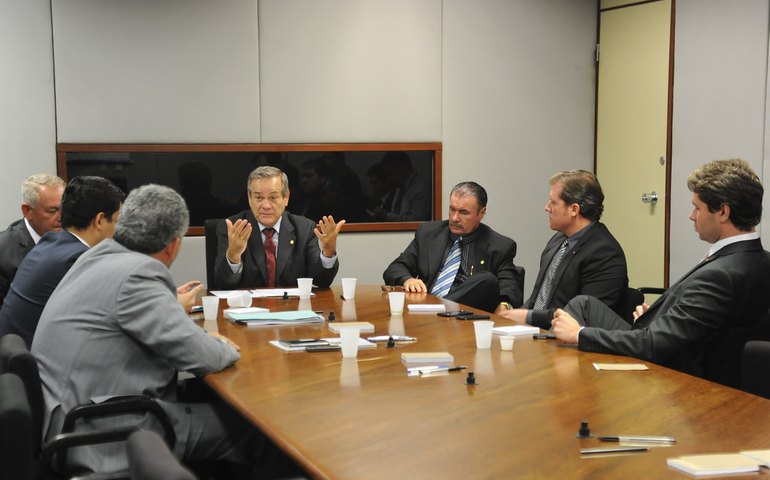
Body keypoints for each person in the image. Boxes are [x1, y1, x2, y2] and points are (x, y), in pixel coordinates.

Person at [33, 185, 291, 476]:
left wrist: (200, 340)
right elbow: (205, 357)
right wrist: (222, 346)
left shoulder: (99, 254)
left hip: (70, 416)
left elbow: (170, 335)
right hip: (101, 433)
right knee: (268, 430)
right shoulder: (138, 273)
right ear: (173, 245)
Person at [550, 159, 770, 386]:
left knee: (572, 328)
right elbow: (702, 323)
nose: (692, 216)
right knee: (583, 304)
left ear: (723, 212)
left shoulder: (721, 275)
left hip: (675, 378)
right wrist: (660, 316)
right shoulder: (759, 261)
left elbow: (655, 345)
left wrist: (580, 334)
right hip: (688, 354)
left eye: (697, 207)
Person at [0, 176, 124, 348]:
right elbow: (113, 314)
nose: (117, 230)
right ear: (100, 220)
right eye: (117, 221)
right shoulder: (79, 259)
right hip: (37, 364)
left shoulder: (50, 241)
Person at [496, 170, 628, 323]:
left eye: (553, 203)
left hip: (568, 340)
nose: (547, 208)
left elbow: (586, 316)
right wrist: (513, 318)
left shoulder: (605, 254)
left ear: (574, 209)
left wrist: (528, 317)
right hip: (538, 331)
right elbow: (538, 297)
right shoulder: (559, 239)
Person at [383, 181, 522, 312]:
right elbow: (395, 268)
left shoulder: (499, 246)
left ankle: (433, 311)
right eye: (452, 209)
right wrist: (408, 279)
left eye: (463, 212)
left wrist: (504, 305)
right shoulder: (428, 233)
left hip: (464, 315)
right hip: (423, 303)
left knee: (487, 280)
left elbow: (510, 286)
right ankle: (432, 311)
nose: (455, 218)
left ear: (481, 213)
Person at [213, 165, 344, 290]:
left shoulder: (304, 228)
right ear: (249, 198)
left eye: (273, 197)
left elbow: (321, 281)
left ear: (286, 197)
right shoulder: (233, 228)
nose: (266, 205)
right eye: (258, 197)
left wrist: (328, 252)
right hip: (247, 308)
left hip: (292, 308)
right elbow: (224, 284)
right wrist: (233, 256)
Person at [0, 174, 65, 307]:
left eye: (65, 209)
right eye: (52, 211)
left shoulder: (76, 240)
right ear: (27, 211)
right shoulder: (3, 250)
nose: (61, 217)